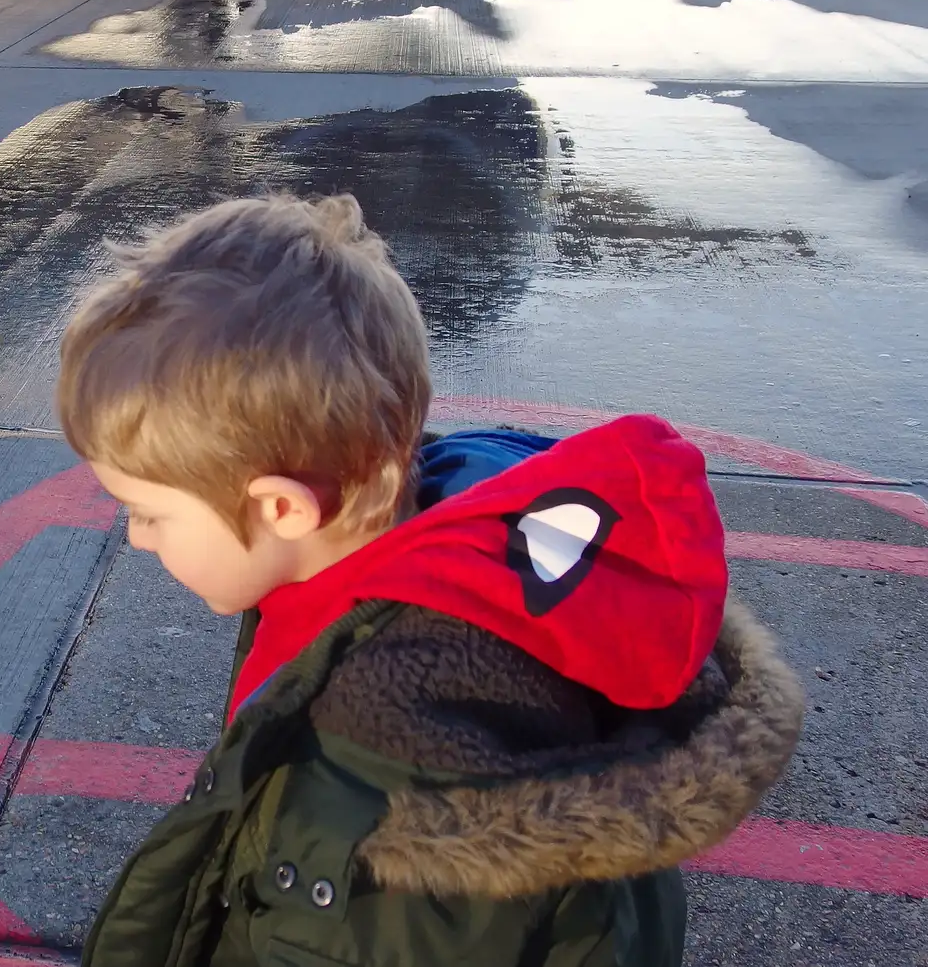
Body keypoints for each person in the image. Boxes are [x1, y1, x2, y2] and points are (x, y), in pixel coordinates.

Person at [59, 194, 806, 967]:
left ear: (282, 507)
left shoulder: (382, 767)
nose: (135, 537)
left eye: (145, 511)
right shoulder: (440, 537)